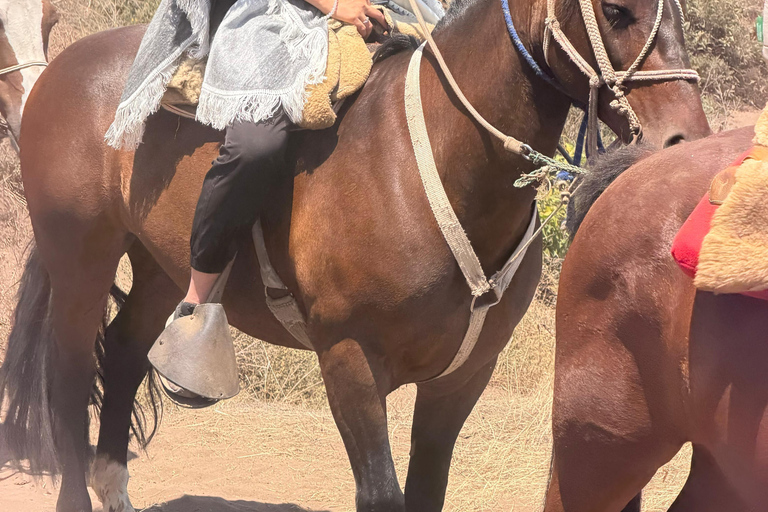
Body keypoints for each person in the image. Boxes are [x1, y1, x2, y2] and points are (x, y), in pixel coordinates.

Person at [106, 0, 389, 406]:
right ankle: (195, 305)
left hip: (362, 11)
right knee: (256, 145)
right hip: (271, 16)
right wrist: (336, 6)